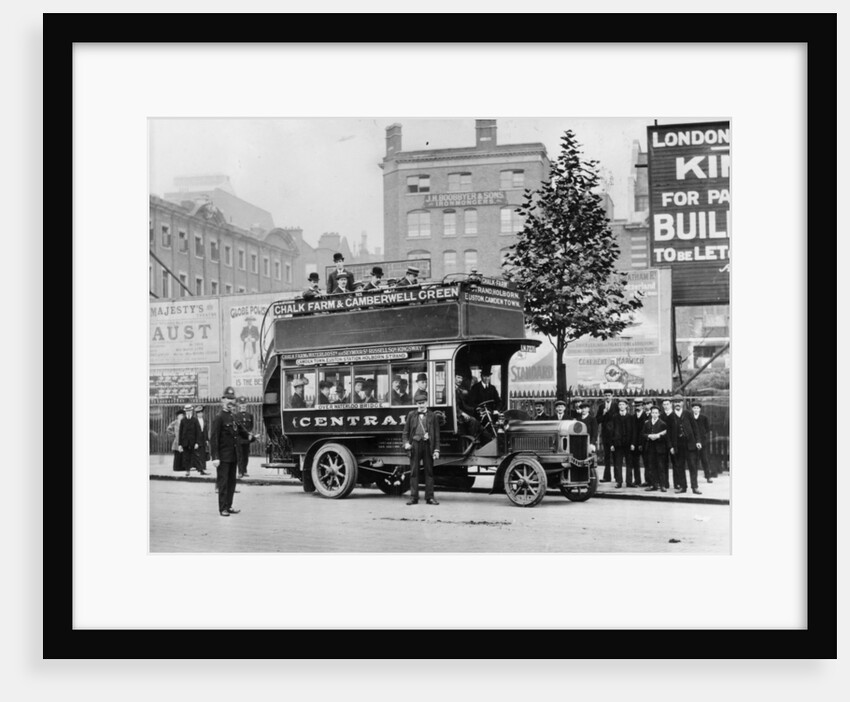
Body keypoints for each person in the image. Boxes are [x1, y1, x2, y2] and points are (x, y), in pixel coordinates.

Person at [210, 387, 250, 516]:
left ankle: (229, 505)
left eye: (232, 399)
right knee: (223, 483)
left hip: (233, 456)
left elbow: (241, 431)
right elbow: (214, 439)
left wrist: (252, 437)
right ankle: (223, 508)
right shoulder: (219, 417)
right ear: (222, 400)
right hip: (223, 457)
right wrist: (215, 457)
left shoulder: (232, 416)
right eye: (228, 398)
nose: (230, 401)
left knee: (232, 482)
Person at [402, 390, 441, 506]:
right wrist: (406, 443)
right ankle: (413, 497)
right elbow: (405, 432)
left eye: (423, 403)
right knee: (414, 472)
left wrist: (436, 449)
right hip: (415, 445)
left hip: (428, 445)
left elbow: (437, 434)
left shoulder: (433, 416)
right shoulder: (411, 415)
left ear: (426, 403)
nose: (421, 405)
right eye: (419, 403)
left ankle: (430, 497)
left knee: (429, 472)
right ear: (416, 404)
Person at [671, 397, 702, 494]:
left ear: (682, 403)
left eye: (679, 402)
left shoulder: (688, 414)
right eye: (675, 402)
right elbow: (669, 433)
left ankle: (695, 487)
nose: (677, 404)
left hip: (690, 444)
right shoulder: (671, 416)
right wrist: (671, 446)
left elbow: (695, 428)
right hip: (678, 446)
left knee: (693, 466)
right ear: (673, 404)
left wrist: (698, 441)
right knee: (680, 466)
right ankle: (683, 487)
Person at [641, 405, 669, 492]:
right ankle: (653, 485)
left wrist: (658, 437)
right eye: (653, 413)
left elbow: (666, 437)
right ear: (650, 413)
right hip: (650, 448)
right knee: (651, 467)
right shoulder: (647, 423)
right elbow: (642, 434)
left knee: (661, 467)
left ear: (659, 414)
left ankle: (662, 485)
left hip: (660, 449)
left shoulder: (663, 424)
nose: (654, 414)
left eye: (656, 413)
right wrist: (649, 436)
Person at [610, 399, 635, 488]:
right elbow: (612, 431)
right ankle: (619, 481)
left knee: (629, 463)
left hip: (628, 443)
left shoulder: (630, 417)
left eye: (623, 404)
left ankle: (629, 482)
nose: (621, 406)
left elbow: (633, 431)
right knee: (618, 463)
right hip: (618, 444)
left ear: (626, 406)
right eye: (620, 405)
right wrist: (612, 444)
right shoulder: (614, 417)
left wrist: (633, 443)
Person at [595, 389, 617, 482]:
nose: (607, 396)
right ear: (604, 396)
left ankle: (617, 477)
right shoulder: (601, 407)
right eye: (606, 395)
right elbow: (597, 420)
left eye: (609, 395)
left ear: (612, 396)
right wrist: (603, 413)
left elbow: (617, 418)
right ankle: (607, 477)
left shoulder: (616, 405)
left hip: (615, 434)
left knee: (616, 456)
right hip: (605, 434)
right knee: (607, 456)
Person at [177, 403, 202, 477]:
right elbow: (180, 433)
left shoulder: (195, 420)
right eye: (187, 411)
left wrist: (197, 442)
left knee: (196, 456)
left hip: (193, 442)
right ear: (185, 412)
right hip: (185, 442)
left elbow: (198, 432)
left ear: (191, 411)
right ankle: (187, 471)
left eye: (189, 411)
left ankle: (200, 470)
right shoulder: (183, 420)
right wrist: (180, 444)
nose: (188, 412)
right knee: (186, 457)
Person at [691, 402, 714, 482]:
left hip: (703, 443)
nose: (696, 409)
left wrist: (702, 438)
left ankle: (708, 476)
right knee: (694, 461)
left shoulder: (704, 418)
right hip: (693, 442)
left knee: (704, 460)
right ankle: (694, 478)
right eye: (694, 408)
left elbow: (707, 429)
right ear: (692, 409)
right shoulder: (690, 417)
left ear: (700, 409)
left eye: (697, 408)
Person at [629, 398, 650, 486]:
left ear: (642, 406)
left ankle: (648, 480)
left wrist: (642, 443)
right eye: (636, 406)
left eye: (639, 405)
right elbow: (632, 431)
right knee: (635, 462)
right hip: (635, 443)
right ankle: (637, 480)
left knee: (647, 462)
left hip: (644, 443)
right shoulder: (633, 417)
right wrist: (633, 443)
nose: (638, 407)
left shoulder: (647, 416)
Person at [234, 396, 256, 478]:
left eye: (244, 404)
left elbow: (251, 426)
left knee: (246, 455)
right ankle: (240, 471)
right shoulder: (236, 415)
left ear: (246, 405)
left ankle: (245, 470)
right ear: (239, 405)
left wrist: (249, 434)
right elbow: (236, 427)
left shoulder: (250, 415)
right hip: (240, 438)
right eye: (241, 404)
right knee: (240, 456)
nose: (243, 406)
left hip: (247, 439)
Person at [660, 398, 680, 488]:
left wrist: (673, 445)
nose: (666, 406)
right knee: (664, 464)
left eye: (667, 404)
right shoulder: (661, 416)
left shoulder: (675, 415)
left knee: (676, 463)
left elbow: (676, 432)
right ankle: (665, 483)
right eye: (664, 404)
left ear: (671, 404)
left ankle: (677, 484)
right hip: (663, 443)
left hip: (674, 443)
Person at [454, 372, 481, 439]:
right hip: (455, 415)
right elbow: (454, 407)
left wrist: (474, 409)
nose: (460, 380)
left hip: (459, 413)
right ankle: (471, 441)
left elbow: (464, 405)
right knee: (473, 421)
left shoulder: (459, 390)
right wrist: (462, 414)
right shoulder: (450, 390)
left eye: (461, 378)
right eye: (458, 377)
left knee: (477, 422)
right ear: (453, 377)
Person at [192, 404, 211, 475]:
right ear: (196, 414)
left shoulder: (205, 420)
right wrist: (195, 442)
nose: (200, 414)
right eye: (198, 413)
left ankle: (203, 466)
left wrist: (207, 440)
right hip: (197, 439)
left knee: (203, 453)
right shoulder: (194, 421)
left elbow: (205, 430)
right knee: (196, 453)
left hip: (203, 439)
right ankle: (197, 467)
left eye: (201, 412)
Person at [166, 408, 185, 473]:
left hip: (183, 440)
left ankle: (182, 467)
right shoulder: (175, 422)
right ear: (177, 416)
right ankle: (176, 467)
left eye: (182, 415)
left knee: (182, 454)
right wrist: (174, 434)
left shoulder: (184, 422)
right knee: (177, 455)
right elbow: (168, 429)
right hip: (177, 441)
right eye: (180, 415)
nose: (181, 416)